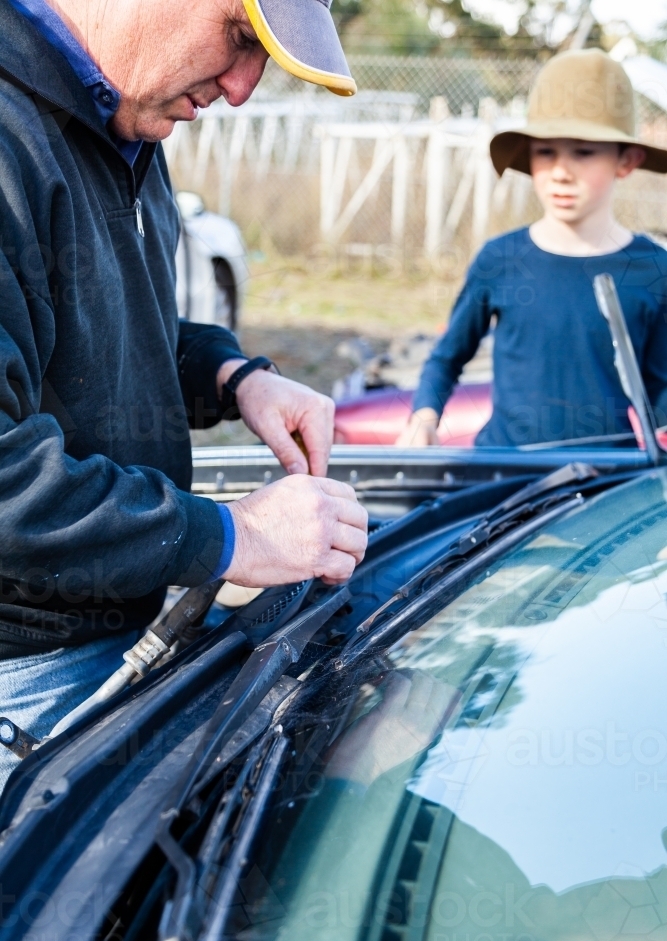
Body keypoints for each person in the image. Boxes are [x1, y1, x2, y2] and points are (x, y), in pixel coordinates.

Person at [0, 0, 366, 783]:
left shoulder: (123, 123)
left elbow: (113, 331)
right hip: (22, 680)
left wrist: (236, 377)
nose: (241, 89)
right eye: (241, 38)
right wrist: (234, 537)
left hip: (107, 642)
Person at [397, 49, 667, 450]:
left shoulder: (653, 269)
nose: (561, 170)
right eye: (546, 152)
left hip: (609, 484)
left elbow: (661, 388)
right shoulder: (501, 260)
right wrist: (424, 416)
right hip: (506, 475)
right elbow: (447, 357)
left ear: (626, 160)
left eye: (583, 151)